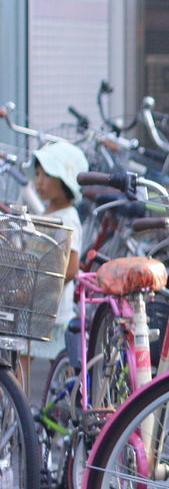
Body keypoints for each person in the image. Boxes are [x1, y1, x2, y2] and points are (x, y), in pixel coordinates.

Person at [21, 141, 84, 390]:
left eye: (47, 175)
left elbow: (71, 268)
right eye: (37, 174)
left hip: (54, 309)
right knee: (26, 353)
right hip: (41, 306)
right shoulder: (47, 213)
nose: (39, 181)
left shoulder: (68, 218)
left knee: (43, 360)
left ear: (65, 179)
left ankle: (22, 413)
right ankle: (22, 411)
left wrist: (39, 288)